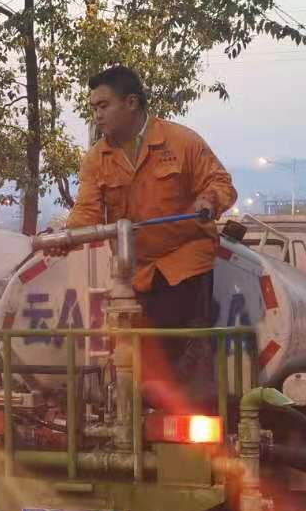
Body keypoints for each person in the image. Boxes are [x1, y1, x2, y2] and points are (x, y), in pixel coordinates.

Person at [66, 64, 237, 398]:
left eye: (103, 106)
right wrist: (65, 239)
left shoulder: (181, 141)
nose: (97, 116)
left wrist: (207, 201)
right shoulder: (97, 159)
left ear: (131, 103)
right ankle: (137, 424)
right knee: (136, 360)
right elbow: (86, 213)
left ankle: (188, 426)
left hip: (185, 265)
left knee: (184, 361)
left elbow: (221, 183)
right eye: (93, 109)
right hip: (136, 273)